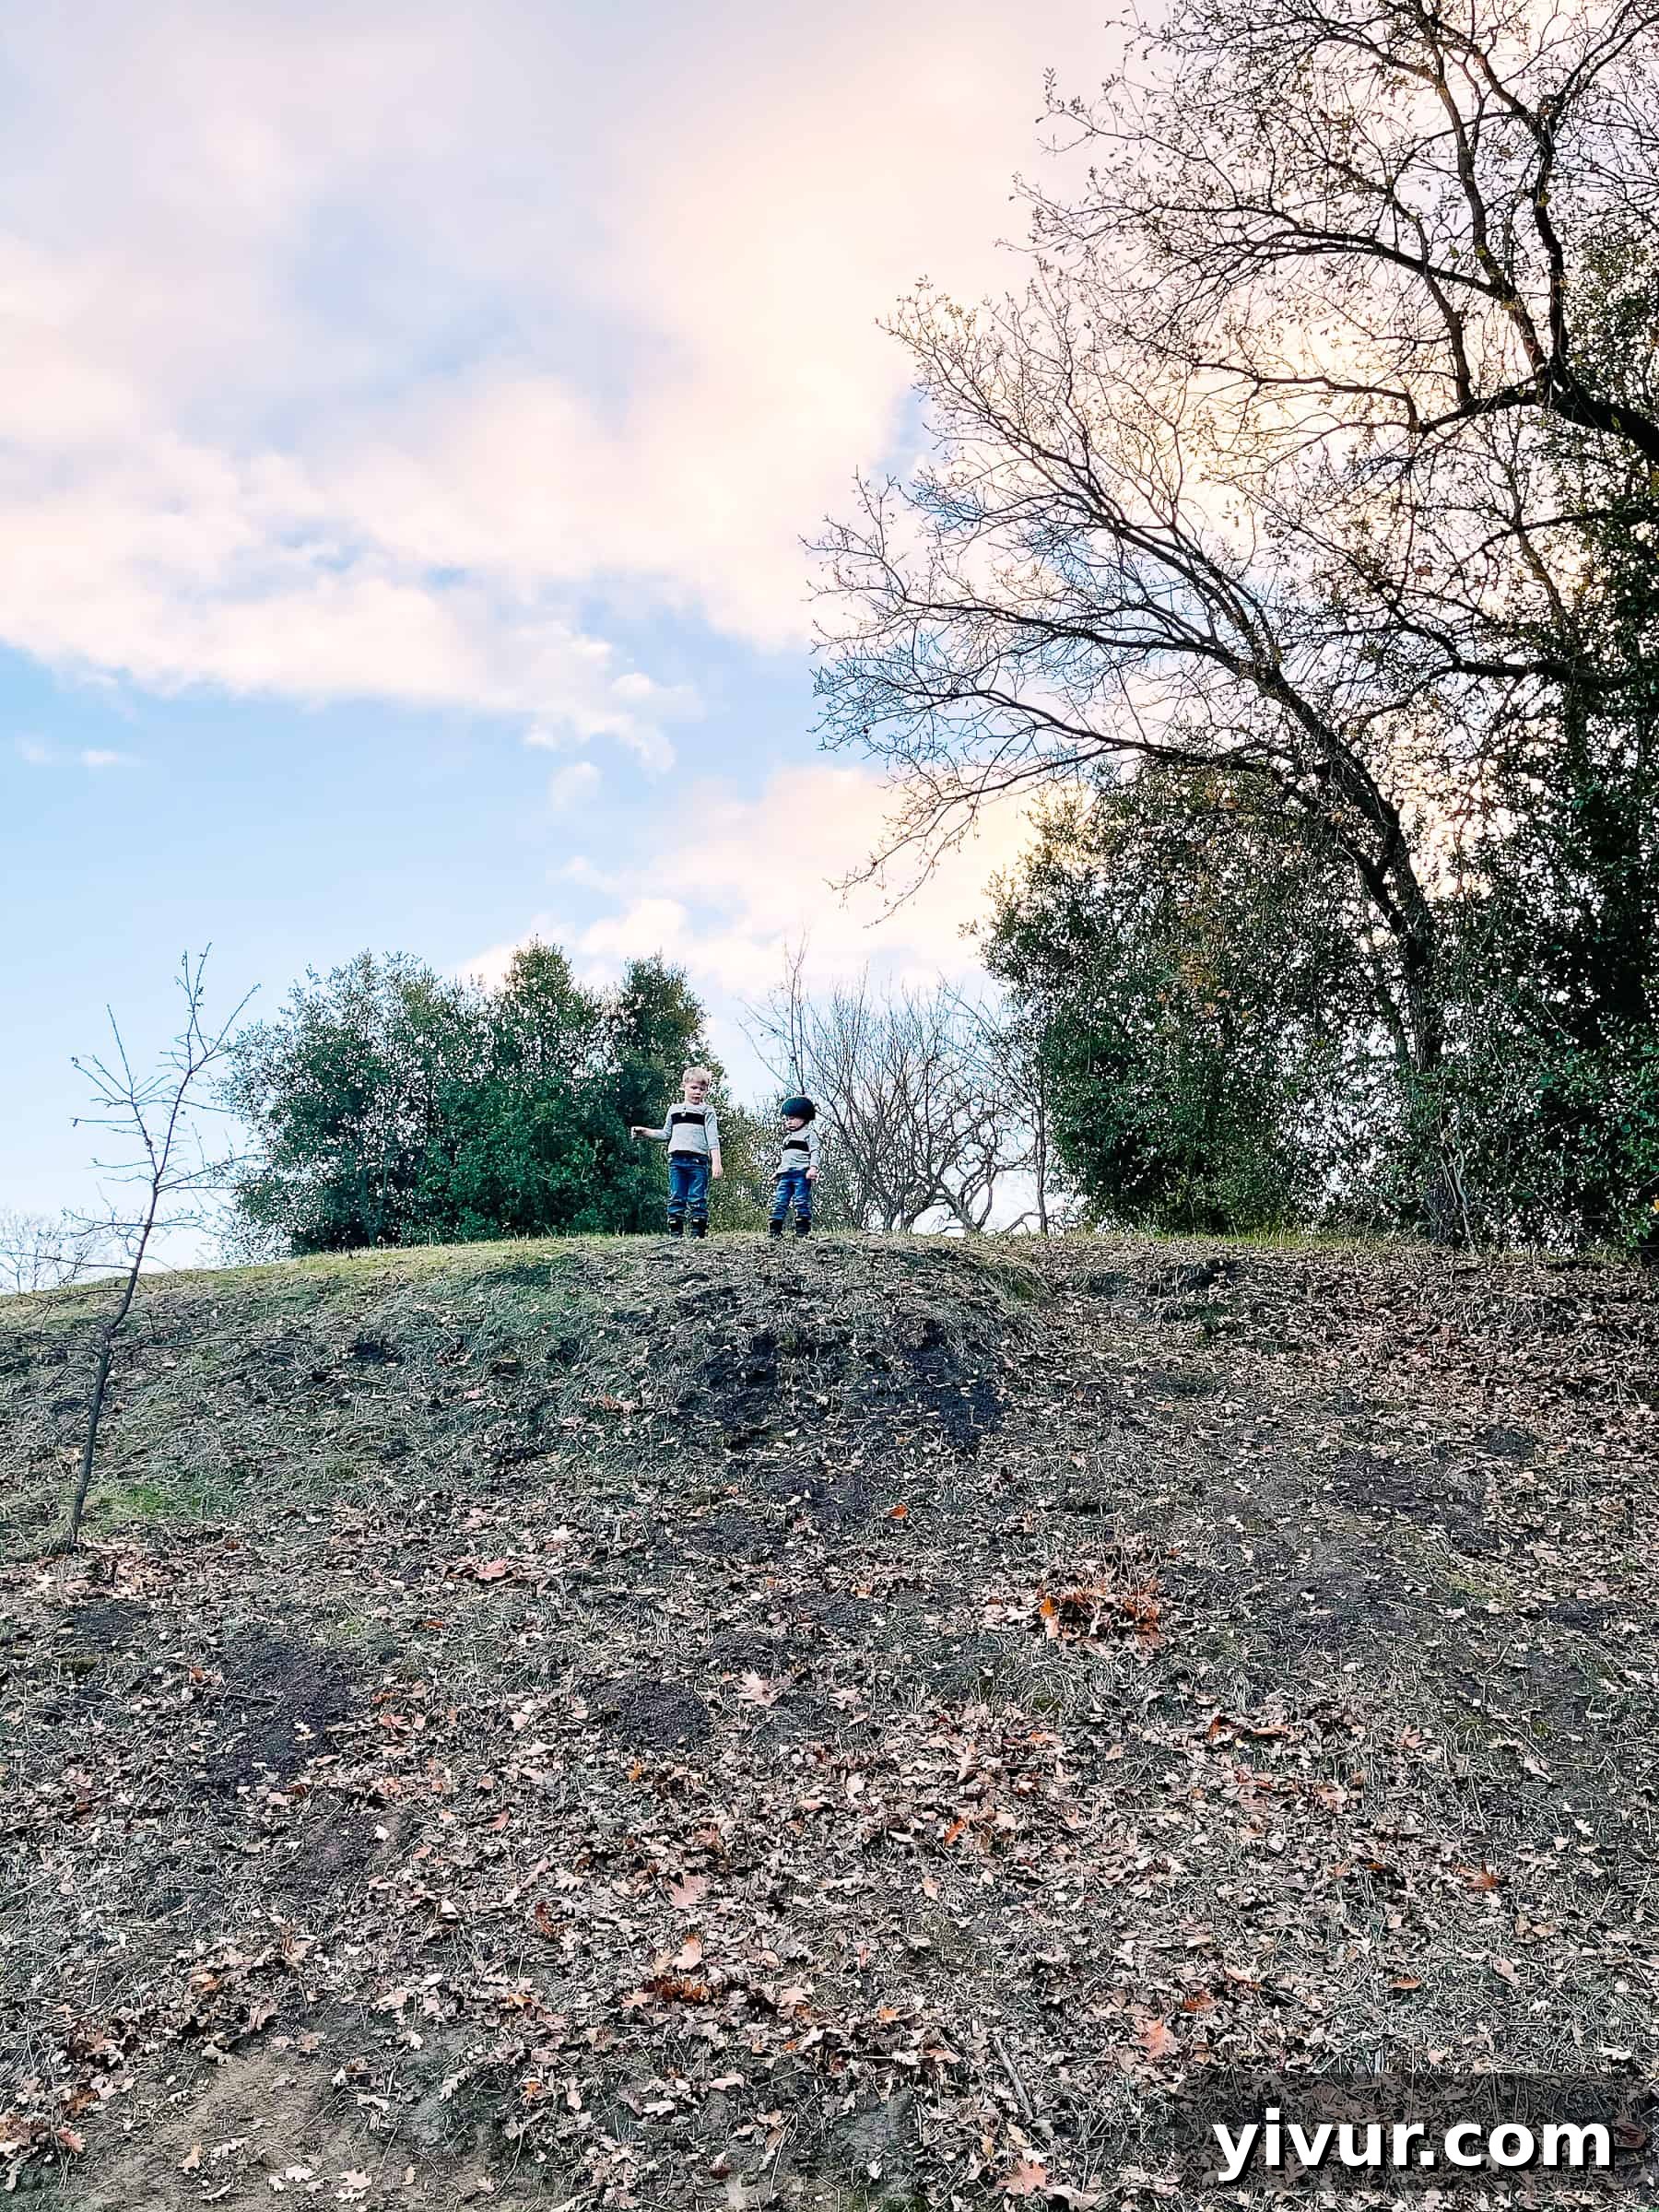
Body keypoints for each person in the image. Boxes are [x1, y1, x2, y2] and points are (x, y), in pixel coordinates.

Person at [630, 1066, 723, 1238]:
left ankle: (698, 1232)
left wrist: (716, 1162)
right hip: (676, 1160)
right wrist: (645, 1132)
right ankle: (676, 1232)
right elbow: (665, 1134)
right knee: (676, 1195)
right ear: (684, 1086)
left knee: (697, 1197)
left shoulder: (707, 1111)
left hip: (698, 1161)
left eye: (702, 1089)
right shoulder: (674, 1110)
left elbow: (712, 1138)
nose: (698, 1092)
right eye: (694, 1088)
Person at [767, 1094, 819, 1239]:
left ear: (804, 1118)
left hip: (801, 1173)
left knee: (801, 1200)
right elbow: (785, 1159)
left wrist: (813, 1168)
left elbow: (815, 1152)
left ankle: (802, 1229)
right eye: (787, 1119)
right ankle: (775, 1228)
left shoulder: (809, 1135)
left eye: (792, 1118)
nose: (788, 1122)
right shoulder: (787, 1139)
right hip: (786, 1174)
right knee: (780, 1200)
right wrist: (778, 1172)